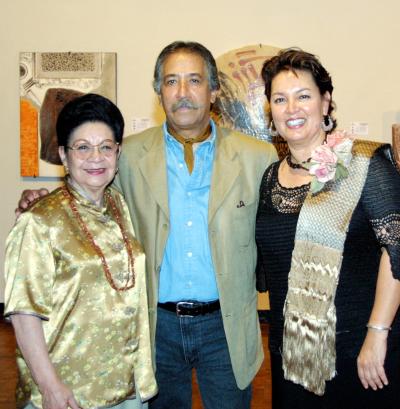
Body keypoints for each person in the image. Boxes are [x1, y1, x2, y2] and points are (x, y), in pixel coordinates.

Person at [17, 41, 278, 409]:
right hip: (156, 327)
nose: (182, 93)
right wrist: (43, 201)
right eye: (171, 82)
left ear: (214, 90)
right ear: (159, 92)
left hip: (227, 327)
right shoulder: (128, 155)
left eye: (194, 81)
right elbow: (91, 196)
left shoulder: (257, 157)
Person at [256, 48, 400, 409]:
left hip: (360, 352)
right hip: (292, 354)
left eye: (303, 96)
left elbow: (396, 249)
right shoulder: (270, 178)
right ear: (270, 111)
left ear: (325, 102)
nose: (292, 108)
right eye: (280, 99)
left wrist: (377, 334)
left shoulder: (366, 163)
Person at [6, 93, 157, 409]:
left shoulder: (119, 205)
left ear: (118, 152)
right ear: (63, 154)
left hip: (128, 387)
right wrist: (51, 387)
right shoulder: (39, 220)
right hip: (69, 391)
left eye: (106, 147)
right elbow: (24, 314)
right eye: (83, 147)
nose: (96, 157)